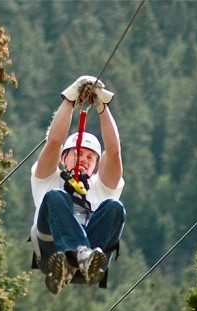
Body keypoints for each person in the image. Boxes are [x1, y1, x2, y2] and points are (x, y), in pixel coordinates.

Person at [29, 75, 126, 294]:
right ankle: (76, 253)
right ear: (64, 159)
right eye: (78, 154)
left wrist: (102, 107)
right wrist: (69, 100)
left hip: (93, 263)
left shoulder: (101, 188)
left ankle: (84, 257)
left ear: (96, 166)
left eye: (90, 158)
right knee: (55, 196)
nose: (83, 160)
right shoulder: (48, 178)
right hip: (52, 253)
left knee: (114, 207)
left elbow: (114, 152)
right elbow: (54, 142)